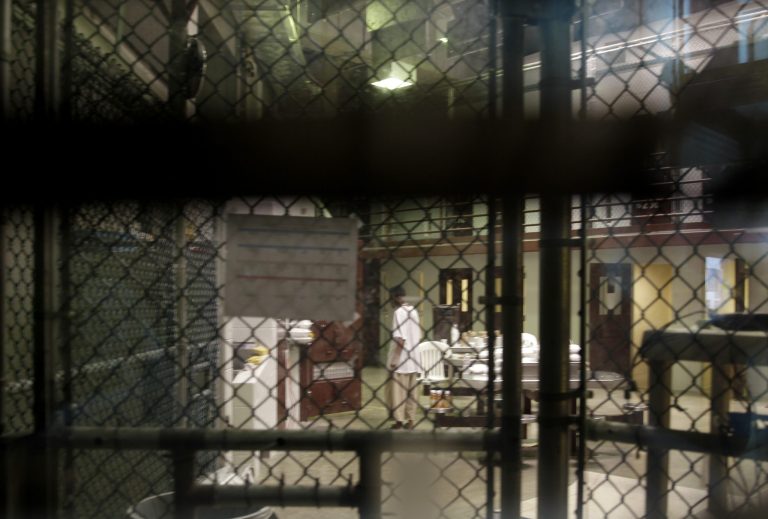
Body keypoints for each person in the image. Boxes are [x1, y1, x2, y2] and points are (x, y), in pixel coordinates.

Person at [387, 285, 422, 430]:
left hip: (402, 360)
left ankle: (399, 421)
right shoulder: (414, 311)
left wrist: (395, 360)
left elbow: (400, 339)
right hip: (414, 359)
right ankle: (411, 420)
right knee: (411, 392)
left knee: (398, 392)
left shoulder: (398, 313)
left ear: (395, 297)